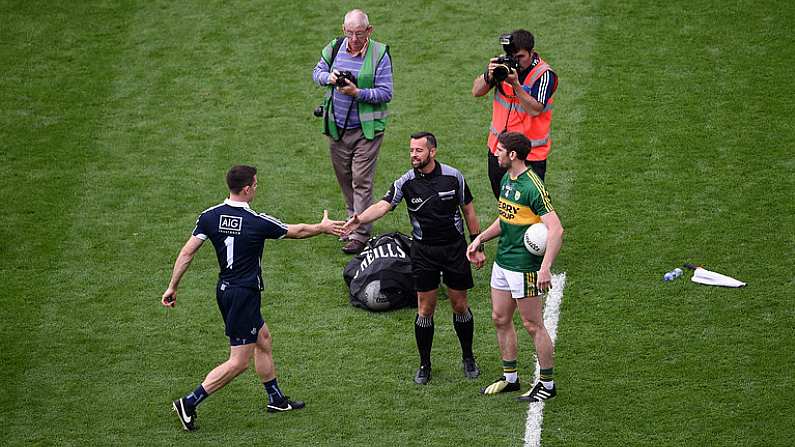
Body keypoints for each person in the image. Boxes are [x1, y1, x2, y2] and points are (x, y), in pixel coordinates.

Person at [161, 165, 344, 431]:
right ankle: (189, 402)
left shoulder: (210, 216)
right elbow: (298, 231)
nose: (256, 189)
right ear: (246, 189)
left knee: (263, 339)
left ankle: (275, 399)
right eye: (255, 185)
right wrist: (323, 227)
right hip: (244, 295)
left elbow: (187, 253)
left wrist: (172, 286)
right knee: (238, 362)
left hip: (225, 291)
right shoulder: (257, 222)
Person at [342, 132, 482, 385]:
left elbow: (468, 209)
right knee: (425, 308)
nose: (413, 155)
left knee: (459, 305)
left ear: (432, 151)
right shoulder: (406, 182)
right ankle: (425, 364)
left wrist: (477, 242)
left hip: (453, 249)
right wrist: (359, 219)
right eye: (411, 151)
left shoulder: (453, 177)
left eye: (418, 150)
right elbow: (384, 204)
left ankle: (468, 357)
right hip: (423, 252)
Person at [466, 132, 564, 402]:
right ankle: (510, 378)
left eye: (499, 150)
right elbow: (506, 218)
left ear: (512, 155)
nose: (495, 153)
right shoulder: (507, 180)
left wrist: (545, 268)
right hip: (503, 261)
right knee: (500, 318)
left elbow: (556, 230)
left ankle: (547, 383)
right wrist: (480, 239)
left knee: (533, 324)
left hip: (524, 266)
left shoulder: (533, 186)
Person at [312, 9, 394, 254]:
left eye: (359, 33)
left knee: (361, 180)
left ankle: (360, 234)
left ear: (369, 30)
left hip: (366, 131)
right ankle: (353, 222)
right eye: (350, 32)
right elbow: (316, 72)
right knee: (345, 178)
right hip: (336, 128)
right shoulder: (335, 47)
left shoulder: (379, 54)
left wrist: (357, 93)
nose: (354, 38)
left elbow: (386, 92)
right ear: (343, 29)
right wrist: (329, 78)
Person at [472, 29, 558, 199]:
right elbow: (476, 91)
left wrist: (516, 85)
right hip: (499, 150)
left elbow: (535, 109)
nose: (516, 62)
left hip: (529, 155)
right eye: (513, 57)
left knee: (528, 205)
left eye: (520, 57)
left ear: (531, 53)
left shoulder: (544, 75)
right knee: (504, 202)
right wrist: (489, 75)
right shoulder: (502, 66)